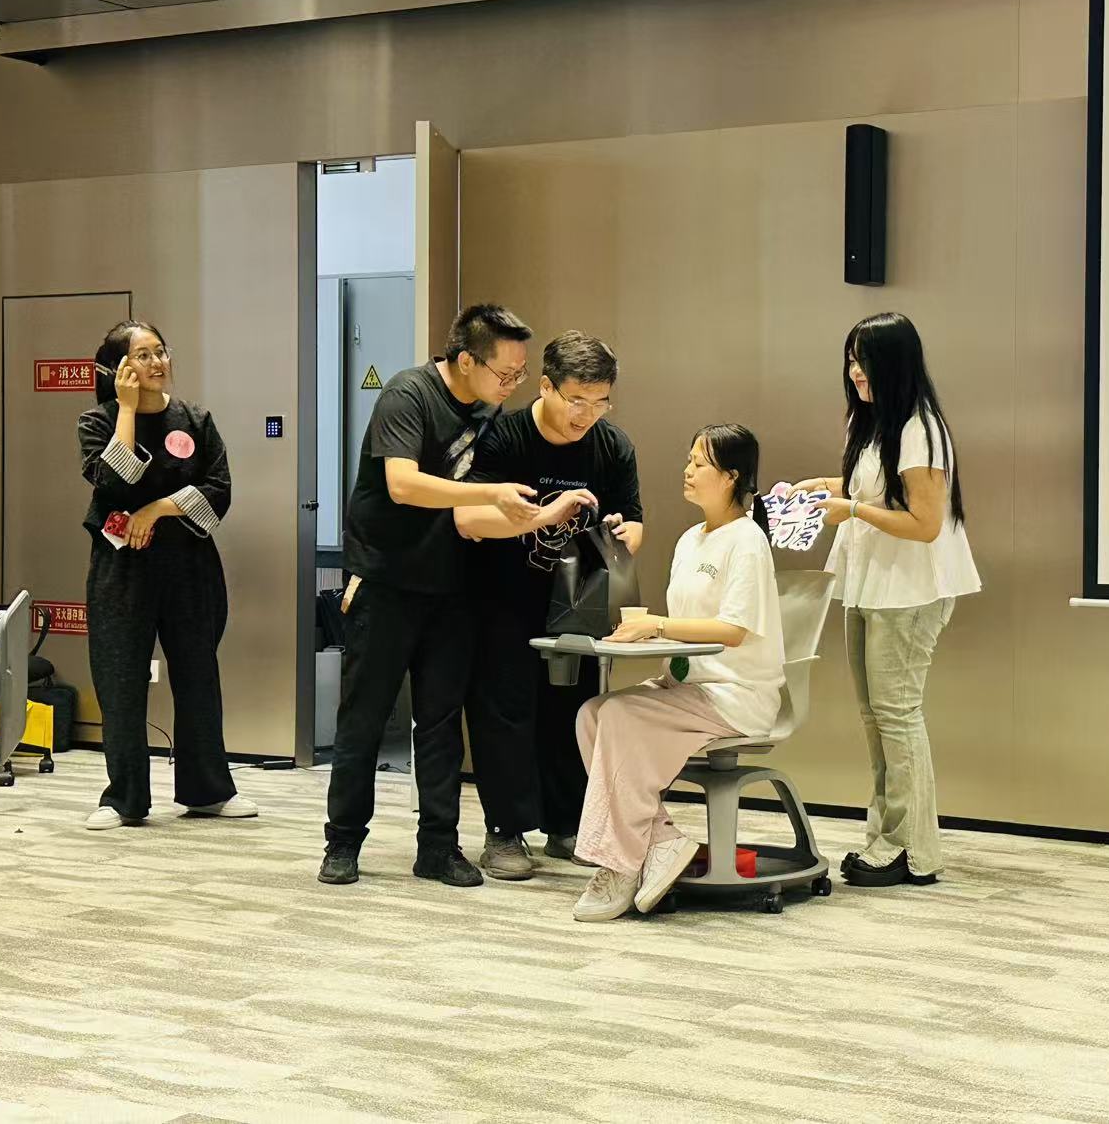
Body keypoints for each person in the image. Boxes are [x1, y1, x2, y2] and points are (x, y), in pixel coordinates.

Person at [319, 304, 541, 889]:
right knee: (364, 718)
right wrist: (492, 493)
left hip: (451, 587)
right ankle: (343, 842)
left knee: (441, 723)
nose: (512, 385)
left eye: (519, 374)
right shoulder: (407, 394)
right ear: (466, 360)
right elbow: (403, 484)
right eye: (505, 373)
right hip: (385, 581)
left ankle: (439, 847)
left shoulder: (489, 411)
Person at [569, 424, 785, 923]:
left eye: (699, 464)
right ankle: (661, 840)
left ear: (731, 477)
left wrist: (658, 625)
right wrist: (639, 631)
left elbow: (732, 631)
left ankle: (619, 863)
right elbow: (687, 624)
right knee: (592, 715)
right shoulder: (691, 539)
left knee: (620, 717)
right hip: (687, 685)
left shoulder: (747, 541)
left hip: (733, 692)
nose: (687, 471)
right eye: (688, 460)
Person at [793, 312, 979, 887]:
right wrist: (825, 489)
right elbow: (875, 488)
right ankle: (886, 837)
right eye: (851, 361)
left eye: (865, 361)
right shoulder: (872, 421)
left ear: (893, 364)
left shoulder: (921, 428)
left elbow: (924, 522)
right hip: (869, 583)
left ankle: (913, 850)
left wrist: (848, 508)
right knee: (877, 717)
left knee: (896, 715)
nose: (855, 373)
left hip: (910, 591)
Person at [454, 330, 644, 882]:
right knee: (505, 711)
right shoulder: (502, 436)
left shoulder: (613, 446)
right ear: (545, 386)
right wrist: (545, 515)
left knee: (572, 711)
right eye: (576, 400)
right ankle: (505, 831)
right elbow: (469, 520)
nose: (587, 414)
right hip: (504, 598)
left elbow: (635, 523)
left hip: (577, 606)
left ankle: (567, 825)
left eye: (600, 401)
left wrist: (622, 535)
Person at [77, 321, 256, 831]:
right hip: (121, 568)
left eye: (160, 351)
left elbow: (219, 488)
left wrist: (155, 509)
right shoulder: (97, 421)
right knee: (120, 680)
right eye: (143, 355)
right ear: (119, 367)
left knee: (198, 675)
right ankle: (124, 798)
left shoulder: (195, 420)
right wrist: (127, 410)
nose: (157, 363)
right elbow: (113, 482)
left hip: (189, 565)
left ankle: (207, 791)